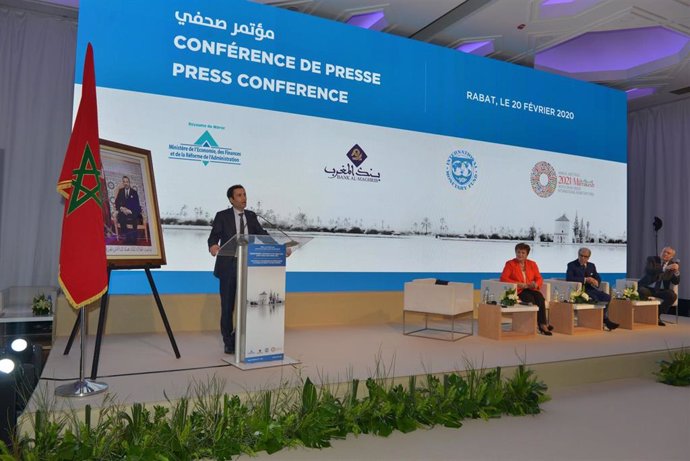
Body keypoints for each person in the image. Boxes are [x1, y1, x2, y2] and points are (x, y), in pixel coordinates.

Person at [208, 184, 269, 354]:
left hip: (249, 265)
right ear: (231, 199)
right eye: (240, 195)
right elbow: (214, 236)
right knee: (228, 306)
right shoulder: (222, 216)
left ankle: (241, 336)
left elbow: (262, 234)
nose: (244, 198)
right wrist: (213, 246)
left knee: (248, 304)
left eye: (245, 194)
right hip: (229, 265)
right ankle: (228, 341)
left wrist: (278, 247)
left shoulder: (251, 216)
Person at [500, 242, 553, 335]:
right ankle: (541, 325)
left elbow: (539, 278)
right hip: (519, 290)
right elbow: (504, 278)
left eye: (523, 253)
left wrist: (535, 284)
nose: (520, 255)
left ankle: (542, 324)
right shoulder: (510, 264)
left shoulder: (532, 264)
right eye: (518, 252)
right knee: (530, 299)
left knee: (540, 298)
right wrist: (518, 284)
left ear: (527, 254)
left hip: (531, 288)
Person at [566, 247, 619, 331]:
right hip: (580, 290)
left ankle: (603, 318)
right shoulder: (572, 265)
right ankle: (605, 320)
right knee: (595, 298)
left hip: (591, 289)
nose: (583, 258)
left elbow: (597, 277)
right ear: (578, 255)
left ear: (588, 258)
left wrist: (596, 281)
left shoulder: (591, 265)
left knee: (607, 297)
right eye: (581, 255)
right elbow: (569, 278)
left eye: (585, 256)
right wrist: (585, 279)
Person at [638, 246, 680, 326]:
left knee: (672, 295)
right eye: (664, 251)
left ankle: (657, 315)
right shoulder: (652, 259)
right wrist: (665, 268)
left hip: (661, 290)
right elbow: (649, 270)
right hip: (648, 287)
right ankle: (644, 314)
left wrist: (676, 271)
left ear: (671, 257)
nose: (665, 254)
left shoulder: (672, 265)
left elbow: (676, 282)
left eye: (668, 253)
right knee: (642, 290)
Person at [114, 175, 142, 244]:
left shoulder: (134, 192)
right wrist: (121, 208)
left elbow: (137, 204)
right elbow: (117, 202)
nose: (125, 183)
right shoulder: (120, 191)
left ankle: (134, 239)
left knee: (135, 217)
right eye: (124, 182)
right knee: (121, 217)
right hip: (123, 212)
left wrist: (130, 211)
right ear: (123, 183)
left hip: (131, 212)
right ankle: (128, 238)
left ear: (129, 182)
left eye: (127, 182)